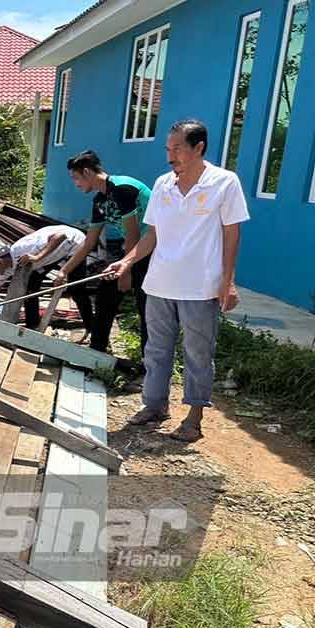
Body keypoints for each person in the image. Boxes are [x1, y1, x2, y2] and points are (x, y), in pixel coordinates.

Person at [108, 119, 248, 442]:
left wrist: (228, 281)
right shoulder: (162, 184)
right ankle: (155, 405)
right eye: (167, 149)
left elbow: (232, 234)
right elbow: (153, 234)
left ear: (199, 148)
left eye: (177, 149)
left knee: (197, 353)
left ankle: (194, 418)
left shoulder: (224, 182)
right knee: (156, 349)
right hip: (159, 282)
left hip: (200, 286)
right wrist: (127, 261)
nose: (170, 156)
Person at [57, 150, 152, 354]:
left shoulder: (122, 188)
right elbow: (89, 242)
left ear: (86, 172)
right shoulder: (99, 201)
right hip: (130, 252)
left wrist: (126, 272)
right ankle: (97, 351)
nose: (75, 184)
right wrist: (64, 271)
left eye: (75, 178)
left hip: (151, 251)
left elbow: (133, 233)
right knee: (105, 295)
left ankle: (149, 362)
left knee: (146, 309)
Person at [0, 224, 93, 330]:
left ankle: (91, 327)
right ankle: (32, 326)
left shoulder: (23, 248)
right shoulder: (3, 270)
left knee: (77, 290)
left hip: (74, 244)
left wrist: (37, 257)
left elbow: (61, 236)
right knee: (30, 287)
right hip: (53, 255)